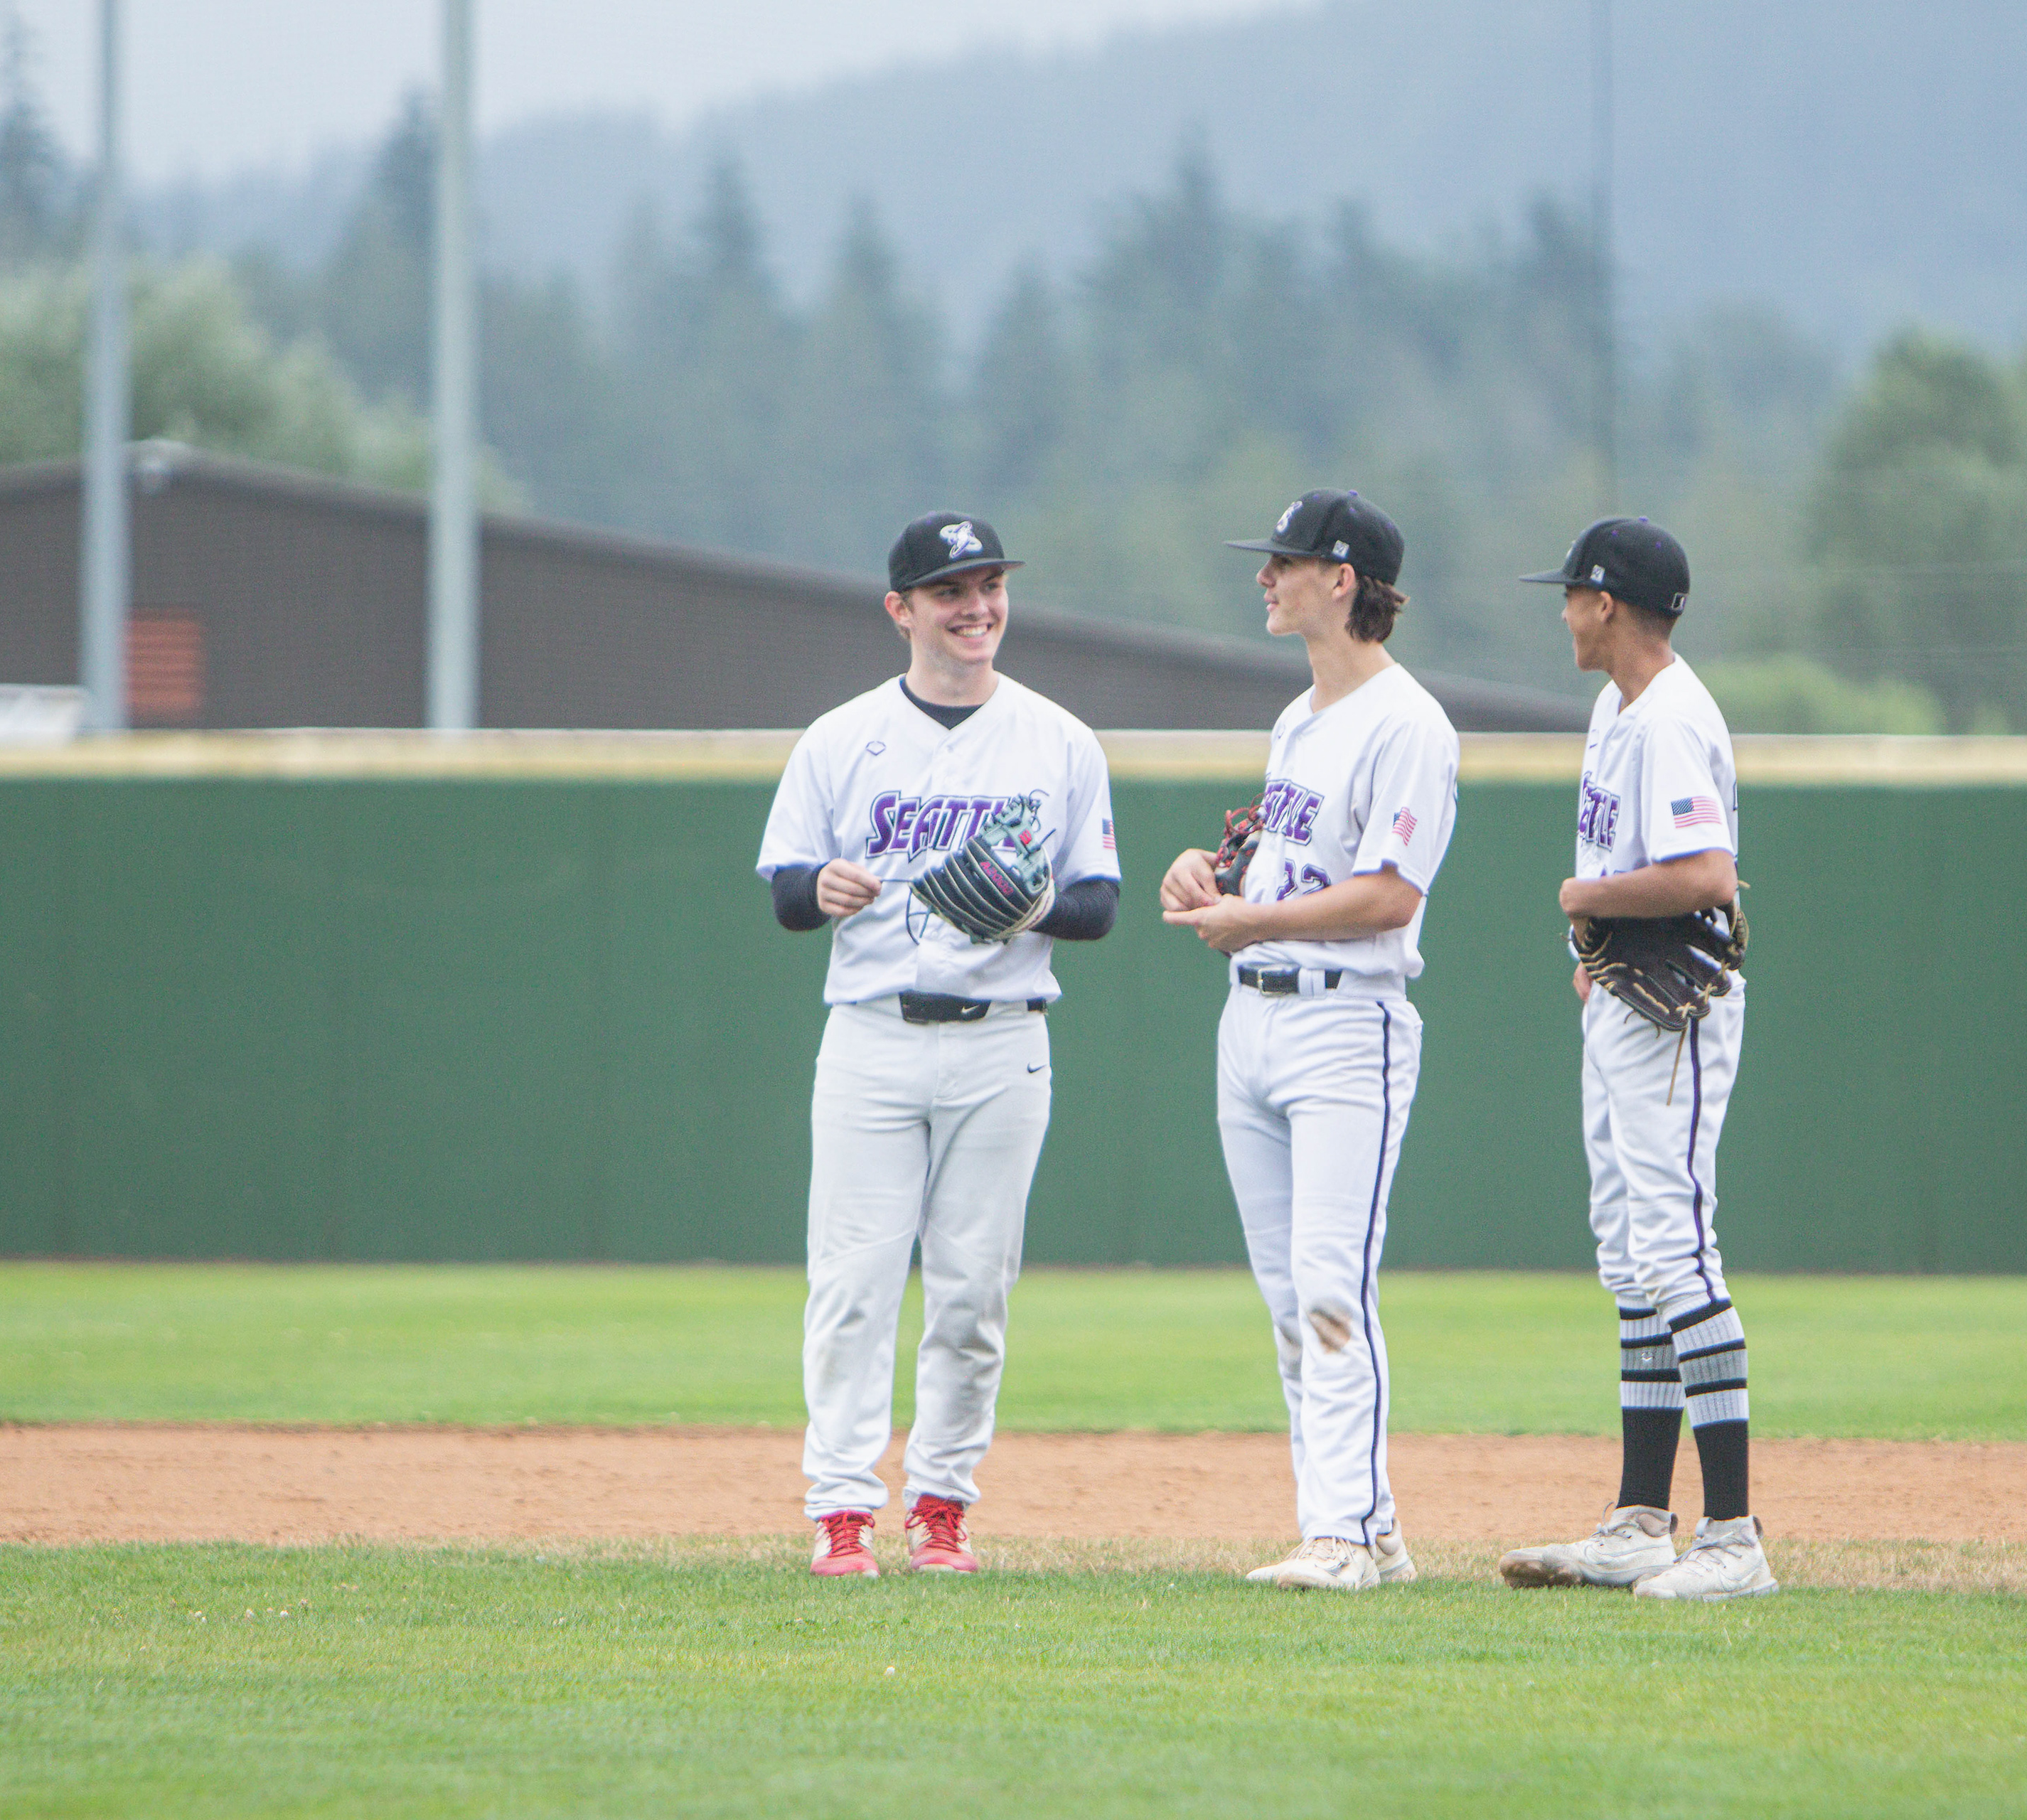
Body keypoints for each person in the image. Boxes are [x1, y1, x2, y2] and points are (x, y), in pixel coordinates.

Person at [756, 511, 1121, 1578]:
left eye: (990, 586)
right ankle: (841, 1509)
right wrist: (818, 889)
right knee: (853, 1287)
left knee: (973, 1295)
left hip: (1003, 1042)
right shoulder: (841, 739)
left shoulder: (1059, 739)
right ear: (901, 609)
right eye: (951, 591)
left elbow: (1098, 905)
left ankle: (942, 1505)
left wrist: (1032, 906)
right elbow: (785, 892)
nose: (977, 608)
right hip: (872, 1036)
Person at [1159, 490, 1460, 1592]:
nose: (1264, 577)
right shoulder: (1301, 719)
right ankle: (1364, 1527)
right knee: (1291, 1301)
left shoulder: (1409, 724)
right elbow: (1278, 862)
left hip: (1344, 1019)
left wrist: (1259, 920)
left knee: (1333, 1286)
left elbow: (1389, 896)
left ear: (1342, 581)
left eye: (1284, 562)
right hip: (1253, 1015)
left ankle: (1338, 1536)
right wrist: (1208, 875)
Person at [1498, 515, 1777, 1602]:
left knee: (1674, 1248)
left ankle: (1735, 1536)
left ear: (1606, 603)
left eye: (1572, 595)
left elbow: (1707, 874)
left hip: (1675, 1021)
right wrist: (1598, 943)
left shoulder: (1667, 718)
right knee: (1629, 1253)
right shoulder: (1617, 710)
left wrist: (1585, 897)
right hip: (1624, 1000)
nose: (1565, 612)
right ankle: (1640, 1522)